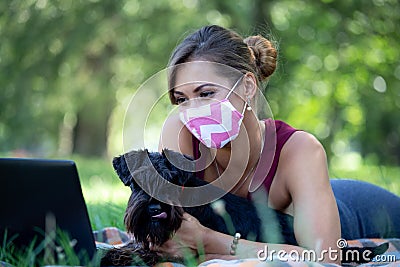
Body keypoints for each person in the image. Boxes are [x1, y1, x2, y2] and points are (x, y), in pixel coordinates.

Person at [155, 25, 400, 263]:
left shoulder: (300, 150)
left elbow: (324, 259)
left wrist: (209, 241)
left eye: (206, 93)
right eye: (182, 99)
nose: (194, 110)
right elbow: (164, 234)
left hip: (361, 209)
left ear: (247, 86)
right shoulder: (179, 133)